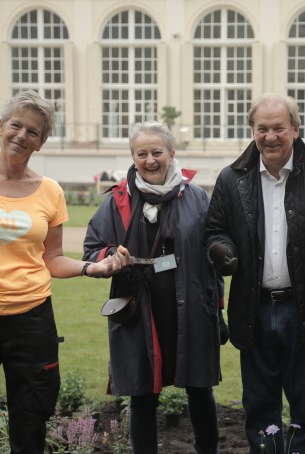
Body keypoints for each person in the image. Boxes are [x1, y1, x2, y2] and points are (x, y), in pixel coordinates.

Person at [0, 90, 128, 453]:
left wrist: (92, 267)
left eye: (33, 131)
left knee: (30, 428)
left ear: (42, 142)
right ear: (1, 127)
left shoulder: (49, 191)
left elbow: (53, 258)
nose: (22, 136)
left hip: (32, 321)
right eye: (16, 125)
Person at [205, 93, 305, 453]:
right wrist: (223, 250)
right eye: (262, 129)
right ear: (253, 131)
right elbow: (215, 229)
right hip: (253, 306)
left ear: (295, 130)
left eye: (279, 128)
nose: (270, 137)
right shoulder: (231, 178)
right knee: (259, 407)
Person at [83, 121, 225, 454]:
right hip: (140, 312)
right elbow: (92, 249)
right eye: (141, 153)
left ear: (172, 153)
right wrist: (109, 257)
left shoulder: (197, 198)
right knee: (143, 397)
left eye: (157, 152)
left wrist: (218, 309)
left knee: (200, 390)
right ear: (133, 156)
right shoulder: (117, 200)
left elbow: (212, 254)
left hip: (191, 308)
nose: (150, 160)